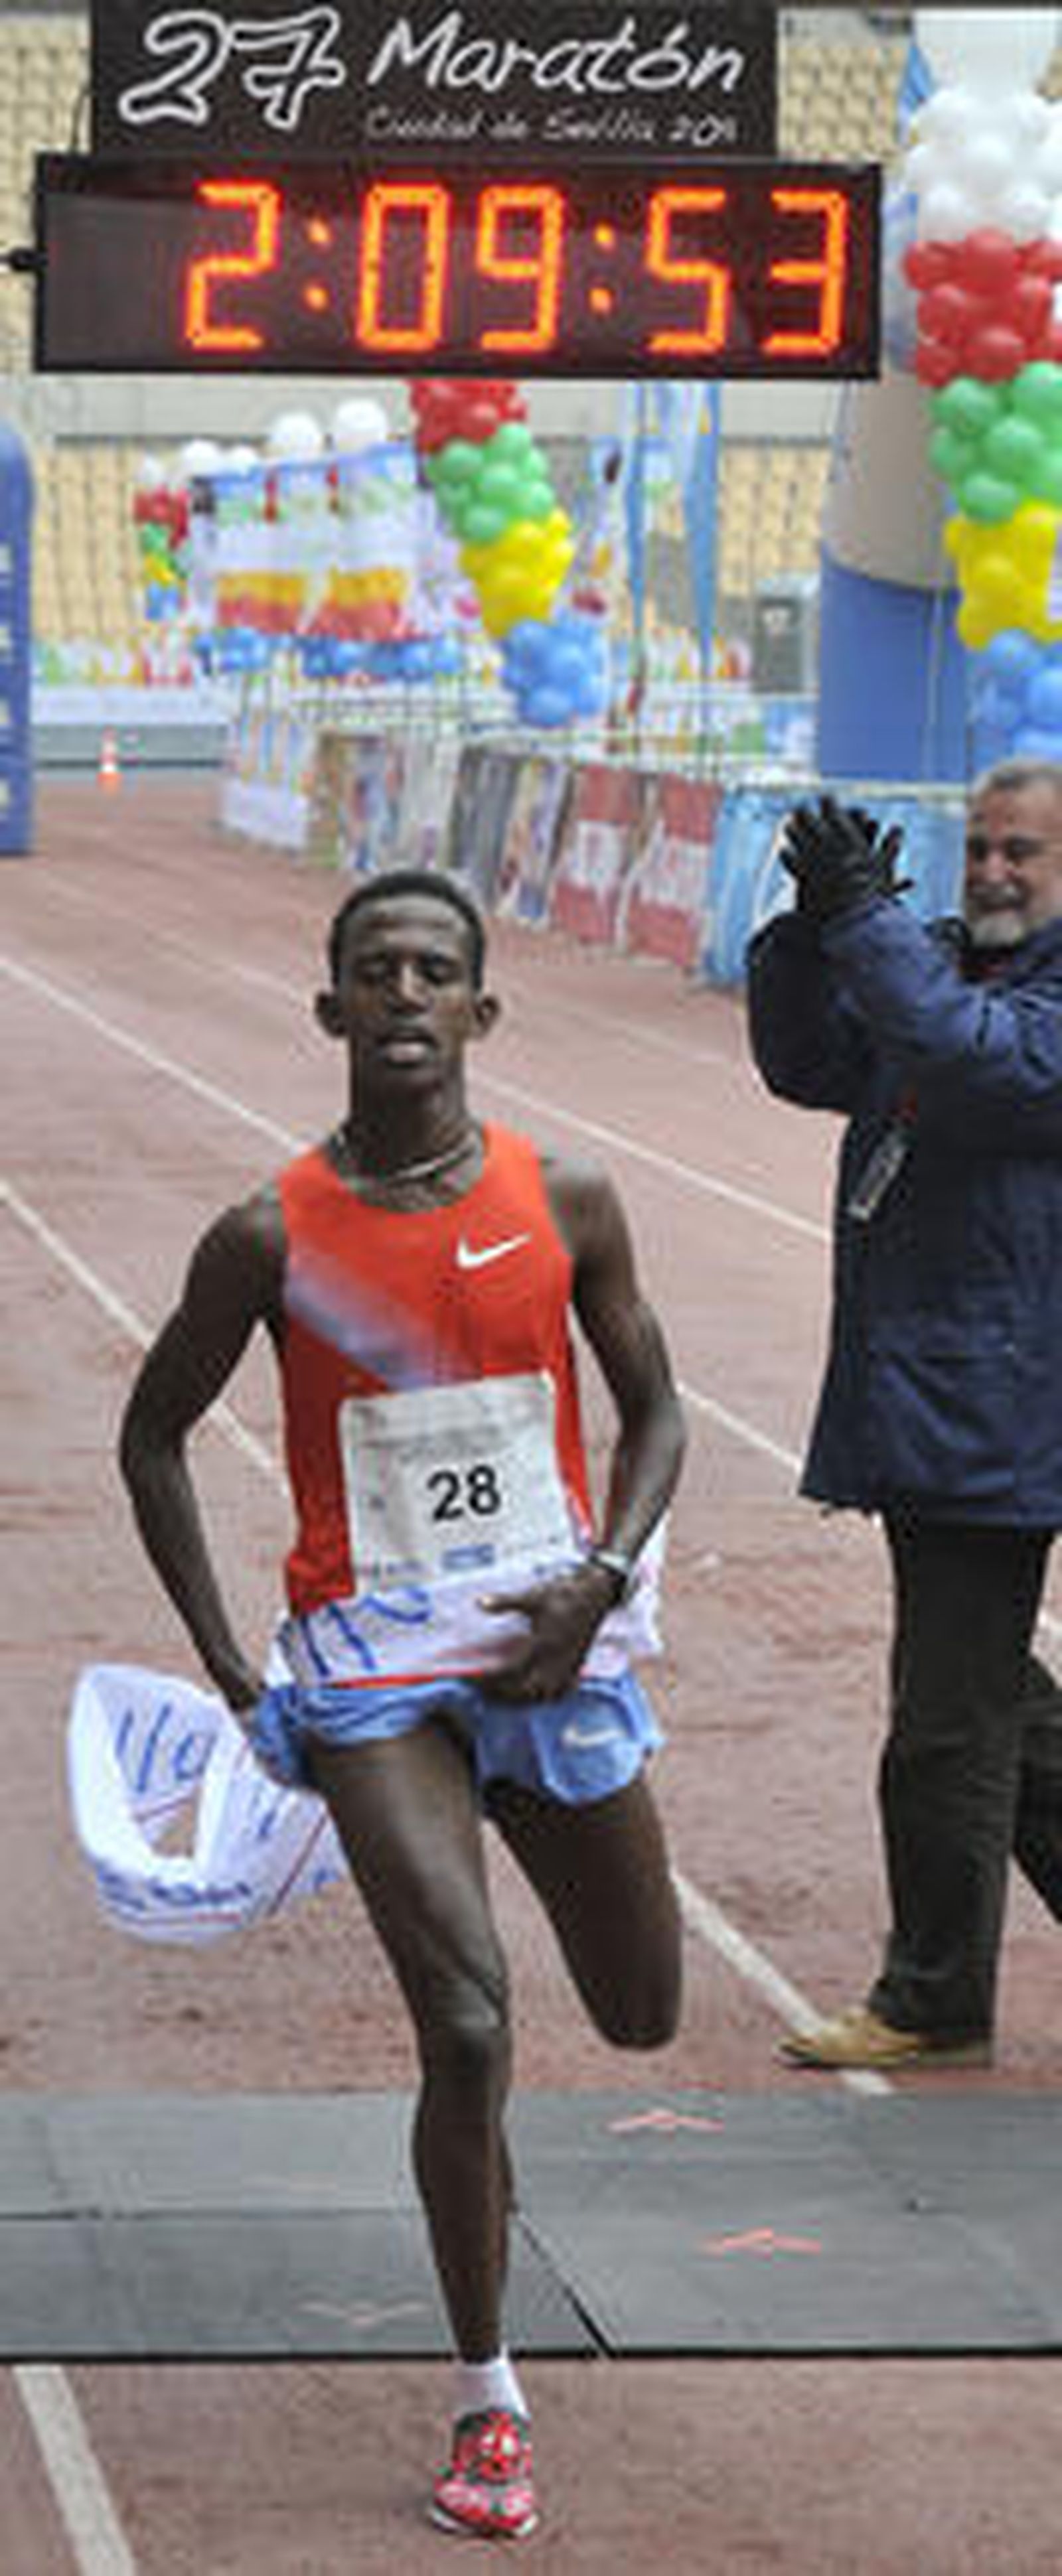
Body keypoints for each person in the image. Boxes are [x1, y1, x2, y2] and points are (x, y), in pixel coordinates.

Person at [119, 867, 685, 2538]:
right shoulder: (268, 1234)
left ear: (480, 1013)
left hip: (550, 1649)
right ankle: (486, 2397)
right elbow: (150, 1436)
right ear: (333, 1011)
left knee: (643, 2011)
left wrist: (603, 1572)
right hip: (368, 1677)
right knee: (465, 2024)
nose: (407, 994)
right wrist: (236, 1667)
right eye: (377, 971)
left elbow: (658, 1413)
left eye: (437, 970)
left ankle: (492, 2218)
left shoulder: (568, 1198)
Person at [745, 761, 1062, 2073]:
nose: (988, 872)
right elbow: (805, 1060)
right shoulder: (936, 966)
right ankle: (937, 1986)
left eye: (1021, 856)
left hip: (1000, 1402)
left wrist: (870, 925)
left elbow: (984, 1069)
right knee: (989, 1696)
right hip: (934, 1391)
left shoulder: (1005, 1007)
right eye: (978, 849)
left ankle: (931, 1997)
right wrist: (809, 924)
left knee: (941, 1719)